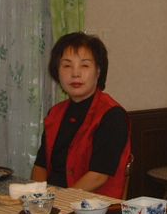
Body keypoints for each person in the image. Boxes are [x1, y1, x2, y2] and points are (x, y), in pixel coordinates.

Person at [31, 32, 131, 199]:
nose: (75, 73)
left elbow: (98, 175)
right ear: (57, 71)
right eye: (67, 66)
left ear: (98, 71)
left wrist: (59, 200)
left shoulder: (112, 115)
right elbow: (40, 166)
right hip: (51, 202)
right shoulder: (55, 113)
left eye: (84, 65)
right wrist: (38, 197)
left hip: (94, 206)